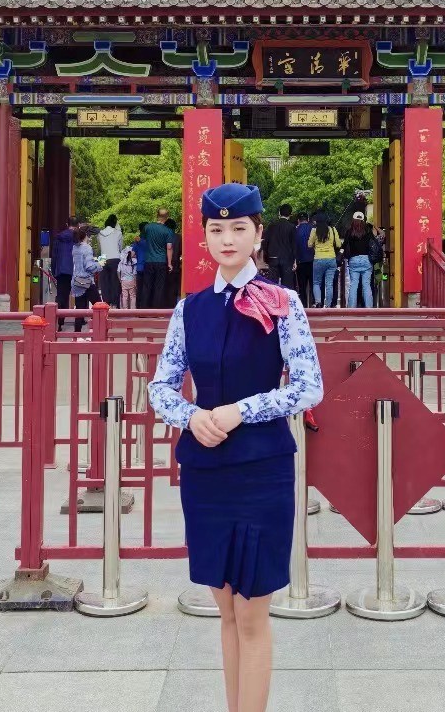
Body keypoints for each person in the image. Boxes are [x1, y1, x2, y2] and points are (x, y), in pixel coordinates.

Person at [147, 183, 323, 712]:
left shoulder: (284, 303)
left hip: (262, 471)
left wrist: (241, 410)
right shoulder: (189, 309)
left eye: (239, 228)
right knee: (224, 611)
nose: (227, 239)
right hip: (206, 472)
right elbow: (160, 386)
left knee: (251, 614)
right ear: (204, 236)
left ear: (258, 234)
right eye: (217, 229)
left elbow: (308, 387)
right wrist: (191, 416)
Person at [341, 211, 375, 308]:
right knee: (366, 285)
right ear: (363, 220)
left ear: (353, 220)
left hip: (354, 260)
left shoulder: (349, 231)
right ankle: (369, 308)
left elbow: (344, 245)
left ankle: (351, 308)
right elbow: (373, 243)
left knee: (353, 285)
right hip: (366, 260)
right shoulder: (368, 231)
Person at [142, 209, 175, 309]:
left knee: (147, 286)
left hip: (148, 261)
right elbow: (169, 247)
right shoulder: (168, 231)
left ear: (157, 215)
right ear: (167, 217)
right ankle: (156, 311)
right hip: (161, 261)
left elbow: (142, 240)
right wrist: (169, 263)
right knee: (159, 287)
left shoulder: (147, 227)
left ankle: (143, 311)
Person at [70, 226, 101, 333]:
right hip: (86, 281)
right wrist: (100, 264)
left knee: (79, 310)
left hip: (77, 281)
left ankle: (77, 335)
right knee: (100, 307)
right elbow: (89, 267)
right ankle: (97, 332)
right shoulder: (87, 248)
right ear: (86, 236)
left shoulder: (75, 248)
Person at [261, 204, 298, 289]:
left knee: (272, 284)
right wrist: (294, 261)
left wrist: (266, 257)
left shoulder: (271, 226)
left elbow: (265, 242)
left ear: (279, 213)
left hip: (273, 258)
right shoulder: (292, 227)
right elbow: (294, 245)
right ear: (290, 214)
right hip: (287, 259)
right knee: (287, 285)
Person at [310, 213, 341, 308]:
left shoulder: (314, 230)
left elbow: (309, 244)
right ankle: (328, 305)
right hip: (331, 259)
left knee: (316, 282)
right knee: (329, 284)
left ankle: (318, 302)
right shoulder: (332, 229)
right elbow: (338, 244)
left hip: (318, 258)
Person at [49, 217, 78, 309]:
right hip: (76, 270)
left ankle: (59, 316)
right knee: (80, 296)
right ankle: (80, 317)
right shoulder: (78, 237)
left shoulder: (59, 238)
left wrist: (54, 271)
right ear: (77, 225)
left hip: (62, 269)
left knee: (62, 295)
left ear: (67, 224)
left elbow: (54, 255)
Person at [95, 214, 123, 306]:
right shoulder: (118, 233)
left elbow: (99, 247)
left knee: (104, 283)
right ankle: (115, 304)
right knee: (115, 282)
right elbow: (120, 247)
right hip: (115, 257)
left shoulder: (99, 233)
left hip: (102, 258)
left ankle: (106, 303)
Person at [294, 213, 315, 306]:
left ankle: (304, 306)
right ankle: (314, 304)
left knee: (302, 286)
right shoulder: (313, 229)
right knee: (314, 284)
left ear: (298, 220)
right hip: (313, 260)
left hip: (300, 261)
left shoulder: (295, 230)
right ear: (308, 219)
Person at [166, 217, 183, 304]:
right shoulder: (179, 237)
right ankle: (173, 304)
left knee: (164, 286)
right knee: (174, 286)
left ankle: (165, 305)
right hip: (176, 264)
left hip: (164, 264)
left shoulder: (164, 236)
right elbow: (181, 252)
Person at [118, 241, 139, 309]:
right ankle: (133, 309)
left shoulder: (121, 262)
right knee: (133, 296)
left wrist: (120, 279)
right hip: (131, 280)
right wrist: (135, 283)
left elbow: (118, 271)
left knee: (125, 296)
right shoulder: (134, 262)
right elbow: (135, 274)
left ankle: (125, 310)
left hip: (123, 280)